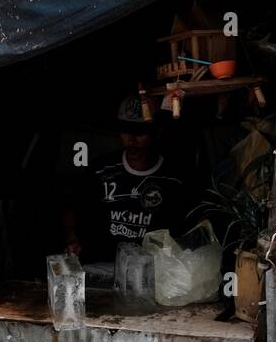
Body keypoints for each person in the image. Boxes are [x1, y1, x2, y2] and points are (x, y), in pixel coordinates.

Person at [62, 95, 193, 264]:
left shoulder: (174, 180)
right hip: (102, 267)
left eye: (139, 132)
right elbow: (72, 206)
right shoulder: (100, 169)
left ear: (156, 132)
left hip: (150, 275)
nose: (131, 139)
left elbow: (183, 236)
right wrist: (72, 239)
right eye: (125, 130)